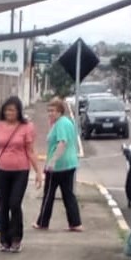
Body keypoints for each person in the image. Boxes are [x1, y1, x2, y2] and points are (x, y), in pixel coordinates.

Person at [0, 95, 42, 252]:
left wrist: (38, 172)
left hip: (20, 171)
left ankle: (16, 238)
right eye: (7, 110)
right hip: (2, 170)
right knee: (3, 206)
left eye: (13, 110)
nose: (10, 113)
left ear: (19, 112)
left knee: (14, 204)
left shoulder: (26, 127)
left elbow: (30, 150)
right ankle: (4, 240)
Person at [35, 96, 82, 231]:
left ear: (60, 111)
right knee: (68, 194)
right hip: (69, 164)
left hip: (58, 166)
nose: (50, 113)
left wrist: (52, 161)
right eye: (49, 111)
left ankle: (42, 222)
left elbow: (62, 142)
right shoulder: (66, 122)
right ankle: (75, 222)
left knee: (49, 194)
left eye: (53, 111)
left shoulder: (60, 124)